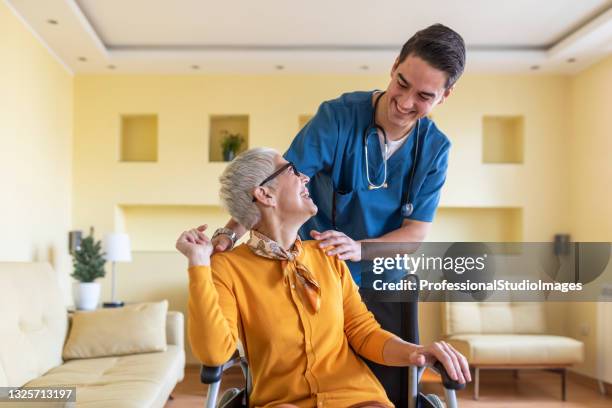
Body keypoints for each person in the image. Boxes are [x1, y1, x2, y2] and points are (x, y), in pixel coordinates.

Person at [209, 24, 466, 406]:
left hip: (376, 276)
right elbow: (275, 186)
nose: (405, 101)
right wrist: (229, 234)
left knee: (388, 381)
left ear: (445, 96)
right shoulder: (339, 117)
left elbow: (414, 235)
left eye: (424, 95)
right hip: (309, 269)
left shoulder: (435, 149)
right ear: (394, 65)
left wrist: (359, 250)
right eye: (402, 82)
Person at [177, 148, 470, 408]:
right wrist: (198, 265)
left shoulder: (327, 254)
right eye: (291, 171)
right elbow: (215, 353)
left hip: (356, 396)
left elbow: (363, 332)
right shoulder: (227, 268)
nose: (305, 177)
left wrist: (417, 352)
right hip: (282, 401)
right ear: (265, 194)